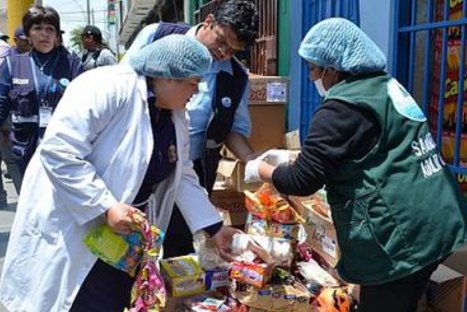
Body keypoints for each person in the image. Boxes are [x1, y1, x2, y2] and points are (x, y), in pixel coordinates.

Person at [0, 34, 266, 312]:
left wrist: (215, 228)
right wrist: (105, 207)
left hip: (123, 235)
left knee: (114, 299)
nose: (196, 91)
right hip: (77, 220)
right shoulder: (105, 88)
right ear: (168, 77)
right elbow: (59, 152)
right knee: (79, 299)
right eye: (193, 82)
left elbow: (183, 173)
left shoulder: (175, 114)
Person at [245, 17, 467, 312]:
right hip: (438, 222)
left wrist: (259, 168)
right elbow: (366, 149)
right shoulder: (386, 86)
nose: (312, 77)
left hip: (400, 236)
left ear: (332, 68)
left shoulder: (342, 107)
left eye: (313, 68)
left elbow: (302, 181)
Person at [122, 0, 259, 257]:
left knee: (179, 243)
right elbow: (127, 89)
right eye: (221, 41)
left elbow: (229, 130)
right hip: (137, 161)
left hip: (189, 164)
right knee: (128, 242)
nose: (224, 53)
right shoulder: (157, 36)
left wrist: (253, 161)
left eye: (233, 50)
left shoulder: (235, 78)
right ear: (208, 22)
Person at [0, 5, 83, 179]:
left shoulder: (72, 65)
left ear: (56, 34)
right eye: (37, 28)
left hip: (63, 151)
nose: (44, 34)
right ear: (28, 33)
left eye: (50, 29)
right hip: (24, 151)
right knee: (30, 204)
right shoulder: (11, 65)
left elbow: (88, 109)